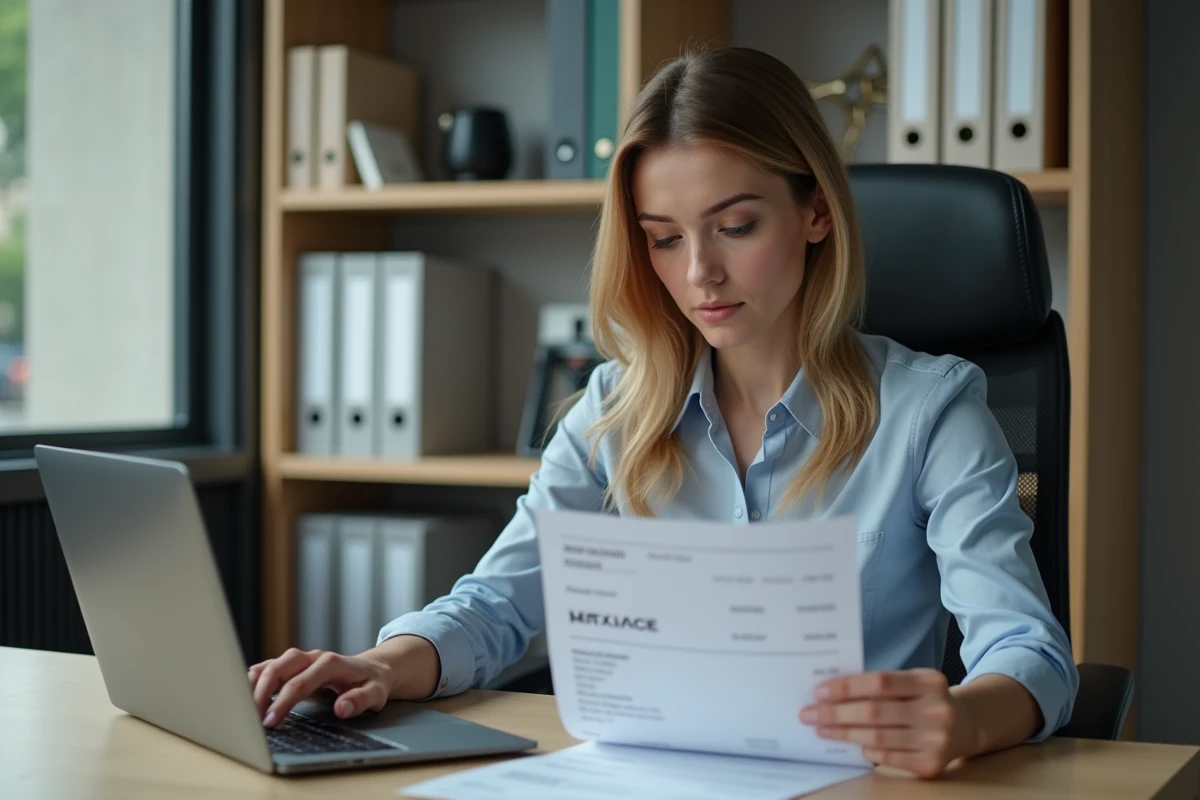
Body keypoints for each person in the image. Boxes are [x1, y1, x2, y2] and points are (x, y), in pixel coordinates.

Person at [249, 46, 1078, 779]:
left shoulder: (932, 412)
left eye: (736, 226)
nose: (699, 275)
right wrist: (384, 665)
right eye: (664, 238)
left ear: (817, 211)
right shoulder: (615, 409)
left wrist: (965, 717)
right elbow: (498, 605)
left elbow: (1027, 651)